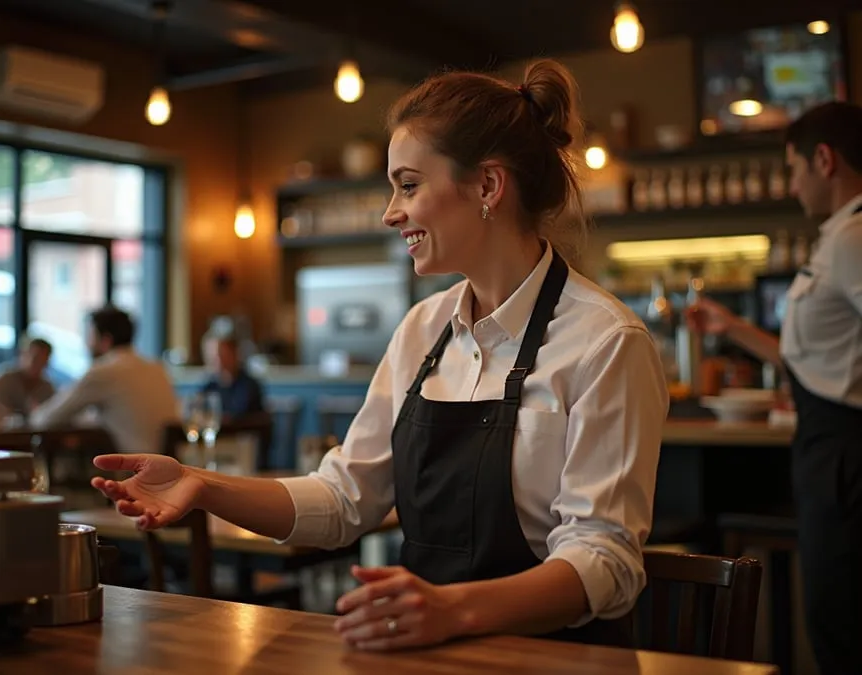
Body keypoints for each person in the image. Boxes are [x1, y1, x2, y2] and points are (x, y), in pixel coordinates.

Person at [91, 60, 668, 651]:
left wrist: (455, 609)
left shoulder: (604, 342)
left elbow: (606, 562)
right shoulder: (423, 327)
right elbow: (344, 499)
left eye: (409, 185)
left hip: (557, 661)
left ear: (489, 186)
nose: (391, 211)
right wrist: (202, 484)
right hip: (426, 651)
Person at [689, 101, 862, 675]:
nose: (791, 185)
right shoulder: (839, 236)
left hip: (846, 455)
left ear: (824, 159)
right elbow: (812, 354)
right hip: (828, 450)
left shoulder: (853, 237)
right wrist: (732, 328)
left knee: (842, 625)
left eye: (792, 169)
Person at [31, 306, 180, 454]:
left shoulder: (104, 371)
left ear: (105, 340)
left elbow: (46, 419)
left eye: (90, 336)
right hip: (166, 465)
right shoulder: (156, 368)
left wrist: (35, 412)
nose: (87, 344)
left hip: (129, 469)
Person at [200, 330, 265, 422]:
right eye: (211, 356)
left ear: (234, 354)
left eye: (221, 354)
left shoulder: (248, 386)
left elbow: (238, 417)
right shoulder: (210, 386)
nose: (216, 360)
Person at [0, 336, 56, 418]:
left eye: (43, 360)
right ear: (22, 355)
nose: (39, 364)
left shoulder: (48, 389)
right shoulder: (4, 381)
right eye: (35, 358)